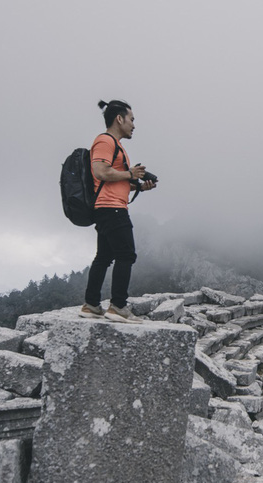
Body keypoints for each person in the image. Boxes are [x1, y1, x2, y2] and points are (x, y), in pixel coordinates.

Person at [81, 99, 155, 323]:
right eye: (131, 119)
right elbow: (101, 172)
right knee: (126, 254)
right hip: (112, 208)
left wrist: (139, 185)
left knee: (103, 257)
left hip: (107, 207)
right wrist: (131, 174)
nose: (134, 125)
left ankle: (91, 305)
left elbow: (115, 179)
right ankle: (118, 306)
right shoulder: (105, 141)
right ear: (119, 119)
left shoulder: (116, 145)